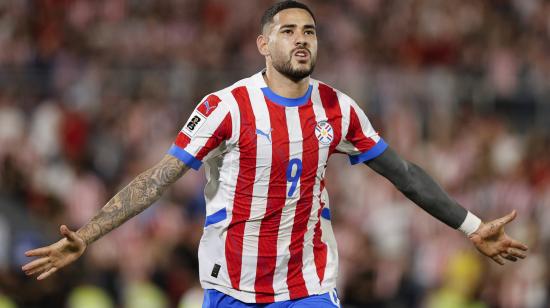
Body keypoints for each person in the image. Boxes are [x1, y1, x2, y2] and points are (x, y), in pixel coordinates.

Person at [22, 1, 528, 307]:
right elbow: (158, 178)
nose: (301, 39)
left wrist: (470, 225)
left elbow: (405, 174)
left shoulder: (338, 108)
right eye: (288, 31)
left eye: (309, 31)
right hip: (230, 286)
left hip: (307, 286)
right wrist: (86, 235)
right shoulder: (225, 106)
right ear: (264, 43)